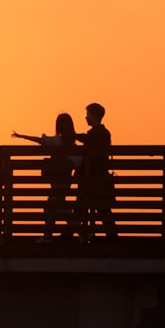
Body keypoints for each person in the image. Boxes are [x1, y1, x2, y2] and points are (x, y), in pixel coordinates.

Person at [12, 113, 81, 243]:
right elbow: (78, 162)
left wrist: (23, 137)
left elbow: (41, 140)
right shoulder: (72, 144)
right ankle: (78, 232)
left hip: (57, 181)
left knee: (53, 207)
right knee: (60, 207)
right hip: (66, 181)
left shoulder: (57, 141)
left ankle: (49, 236)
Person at [71, 102, 117, 241]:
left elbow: (88, 140)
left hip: (93, 179)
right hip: (99, 179)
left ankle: (74, 234)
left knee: (81, 209)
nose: (86, 118)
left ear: (94, 116)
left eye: (88, 115)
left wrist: (72, 135)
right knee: (102, 210)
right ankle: (111, 237)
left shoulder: (97, 134)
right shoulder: (103, 133)